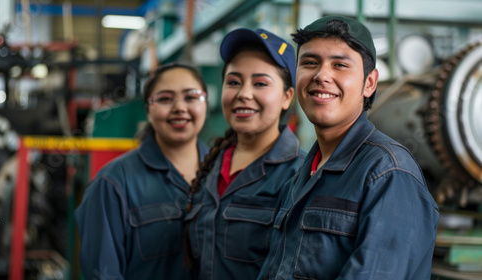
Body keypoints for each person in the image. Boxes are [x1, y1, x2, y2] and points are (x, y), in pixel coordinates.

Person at [259, 15, 440, 280]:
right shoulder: (300, 178)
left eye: (340, 65)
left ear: (369, 83)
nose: (322, 75)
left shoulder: (388, 173)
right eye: (310, 63)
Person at [185, 28, 306, 280]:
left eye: (260, 83)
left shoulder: (301, 177)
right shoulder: (210, 167)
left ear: (287, 97)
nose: (244, 94)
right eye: (233, 82)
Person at [75, 62, 209, 280]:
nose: (179, 107)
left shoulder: (225, 175)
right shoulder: (112, 184)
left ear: (205, 103)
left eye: (191, 97)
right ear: (147, 109)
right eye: (165, 98)